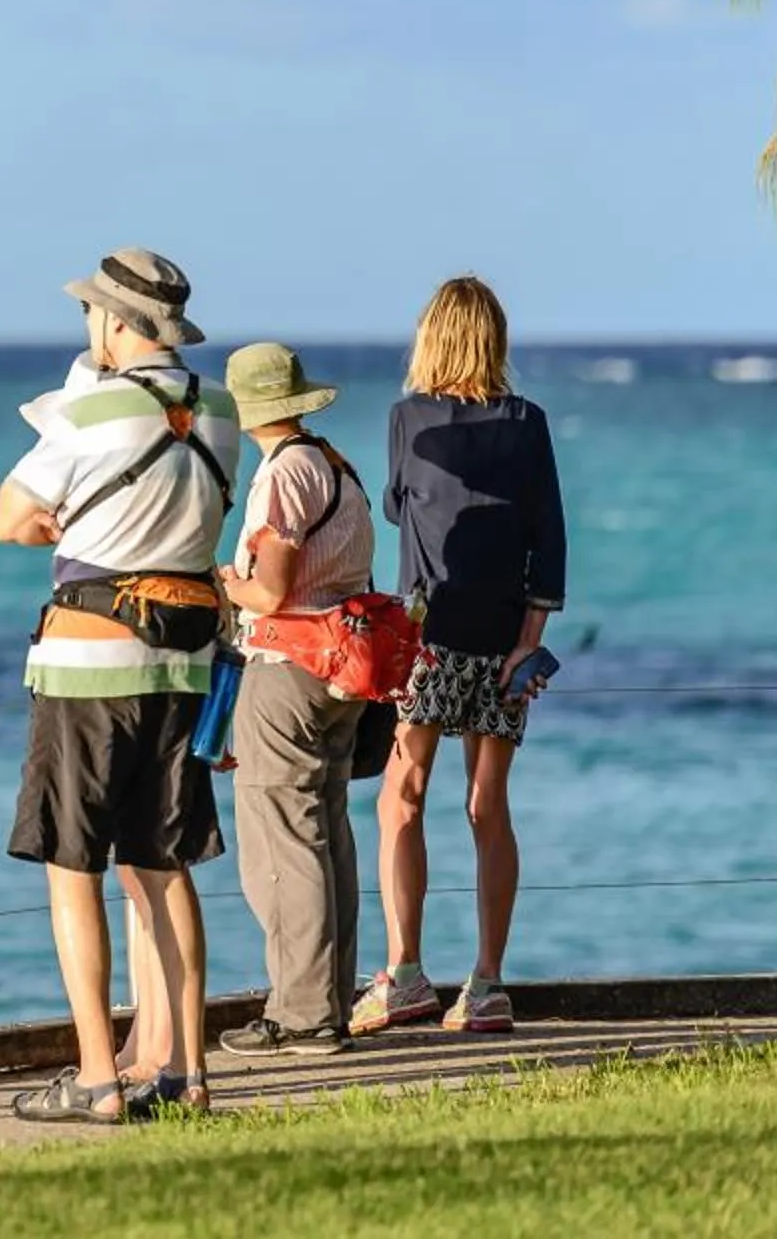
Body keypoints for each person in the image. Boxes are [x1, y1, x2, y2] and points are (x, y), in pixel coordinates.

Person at [0, 249, 236, 1123]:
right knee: (164, 865)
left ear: (117, 324)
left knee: (72, 866)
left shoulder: (88, 409)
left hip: (87, 663)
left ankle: (98, 1076)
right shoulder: (221, 410)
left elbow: (9, 518)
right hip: (183, 663)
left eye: (93, 314)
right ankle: (191, 1074)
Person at [353, 275, 567, 1038]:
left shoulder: (408, 419)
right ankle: (487, 983)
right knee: (488, 807)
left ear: (432, 337)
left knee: (400, 796)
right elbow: (550, 541)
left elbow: (394, 504)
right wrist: (528, 647)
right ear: (495, 340)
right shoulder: (529, 421)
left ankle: (405, 973)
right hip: (506, 635)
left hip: (428, 638)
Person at [214, 342, 376, 1056]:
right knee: (326, 832)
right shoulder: (334, 464)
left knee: (281, 841)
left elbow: (272, 590)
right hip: (343, 666)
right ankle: (330, 1000)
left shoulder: (283, 475)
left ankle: (302, 1014)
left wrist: (224, 581)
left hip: (287, 664)